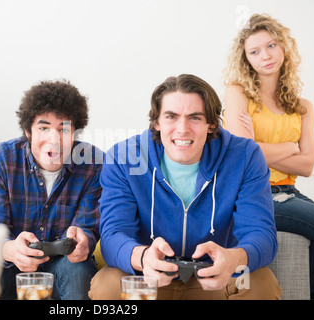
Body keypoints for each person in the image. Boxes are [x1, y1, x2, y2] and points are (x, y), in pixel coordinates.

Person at [89, 74, 282, 300]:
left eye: (195, 118)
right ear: (156, 122)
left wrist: (234, 259)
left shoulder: (245, 156)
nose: (182, 129)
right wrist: (143, 258)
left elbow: (262, 234)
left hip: (215, 279)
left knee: (261, 282)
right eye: (171, 117)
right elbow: (113, 235)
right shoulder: (124, 158)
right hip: (148, 278)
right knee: (107, 284)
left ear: (211, 124)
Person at [0, 79, 104, 300]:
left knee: (79, 270)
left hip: (64, 268)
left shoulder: (93, 164)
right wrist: (10, 250)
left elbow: (87, 228)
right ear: (28, 131)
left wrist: (83, 241)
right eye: (44, 128)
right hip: (10, 269)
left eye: (63, 129)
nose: (53, 140)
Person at [223, 13, 314, 299]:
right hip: (254, 194)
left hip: (290, 193)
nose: (265, 55)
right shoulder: (237, 93)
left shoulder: (303, 106)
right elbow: (242, 155)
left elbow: (308, 164)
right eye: (255, 51)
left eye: (272, 46)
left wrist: (259, 146)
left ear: (284, 48)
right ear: (246, 59)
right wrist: (290, 147)